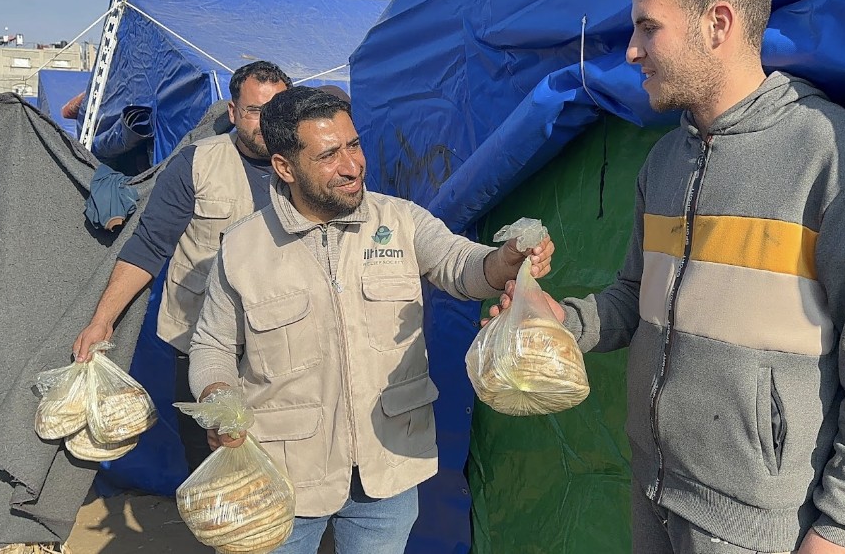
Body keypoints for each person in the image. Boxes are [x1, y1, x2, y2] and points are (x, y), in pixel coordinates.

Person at [491, 0, 845, 552]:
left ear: (716, 24)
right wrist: (560, 321)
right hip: (654, 497)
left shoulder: (832, 160)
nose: (631, 51)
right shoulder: (665, 162)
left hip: (765, 527)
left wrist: (844, 526)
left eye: (649, 27)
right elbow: (632, 296)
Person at [187, 86, 555, 554]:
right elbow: (212, 346)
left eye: (354, 145)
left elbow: (461, 266)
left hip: (390, 464)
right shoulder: (242, 247)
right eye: (328, 155)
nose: (352, 165)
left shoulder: (400, 221)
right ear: (285, 167)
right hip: (282, 473)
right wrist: (218, 397)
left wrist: (506, 259)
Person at [72, 60, 293, 472]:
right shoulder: (196, 164)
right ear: (232, 112)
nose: (266, 123)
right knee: (214, 472)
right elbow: (149, 247)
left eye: (277, 111)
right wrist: (102, 320)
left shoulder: (309, 166)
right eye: (253, 111)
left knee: (282, 472)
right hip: (203, 346)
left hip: (285, 350)